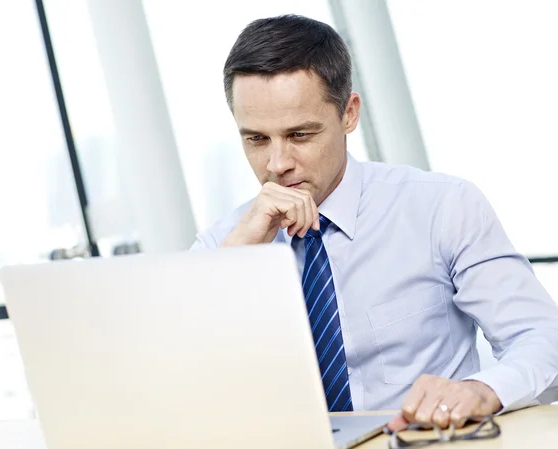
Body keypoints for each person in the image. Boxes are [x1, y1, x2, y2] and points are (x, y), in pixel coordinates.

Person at [190, 14, 558, 430]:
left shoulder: (441, 208)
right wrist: (234, 262)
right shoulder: (222, 245)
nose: (277, 164)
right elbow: (177, 381)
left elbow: (544, 341)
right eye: (256, 139)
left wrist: (481, 390)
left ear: (349, 114)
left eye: (300, 135)